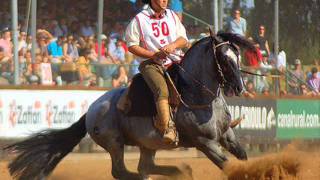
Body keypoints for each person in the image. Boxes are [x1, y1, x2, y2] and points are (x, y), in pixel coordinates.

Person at [125, 0, 188, 144]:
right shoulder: (139, 19)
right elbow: (131, 45)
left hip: (175, 60)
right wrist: (152, 55)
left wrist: (173, 45)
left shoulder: (172, 15)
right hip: (151, 63)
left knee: (196, 79)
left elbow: (183, 39)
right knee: (162, 90)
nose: (165, 0)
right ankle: (168, 128)